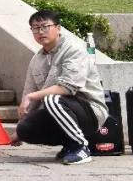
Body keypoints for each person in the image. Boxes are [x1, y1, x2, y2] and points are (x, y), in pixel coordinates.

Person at [11, 10, 109, 166]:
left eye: (45, 26)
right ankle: (69, 144)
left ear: (58, 28)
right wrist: (19, 127)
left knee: (53, 99)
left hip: (90, 111)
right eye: (35, 28)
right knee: (25, 129)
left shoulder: (74, 49)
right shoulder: (36, 60)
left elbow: (68, 88)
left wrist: (32, 96)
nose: (40, 32)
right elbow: (29, 92)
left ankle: (80, 147)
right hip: (60, 111)